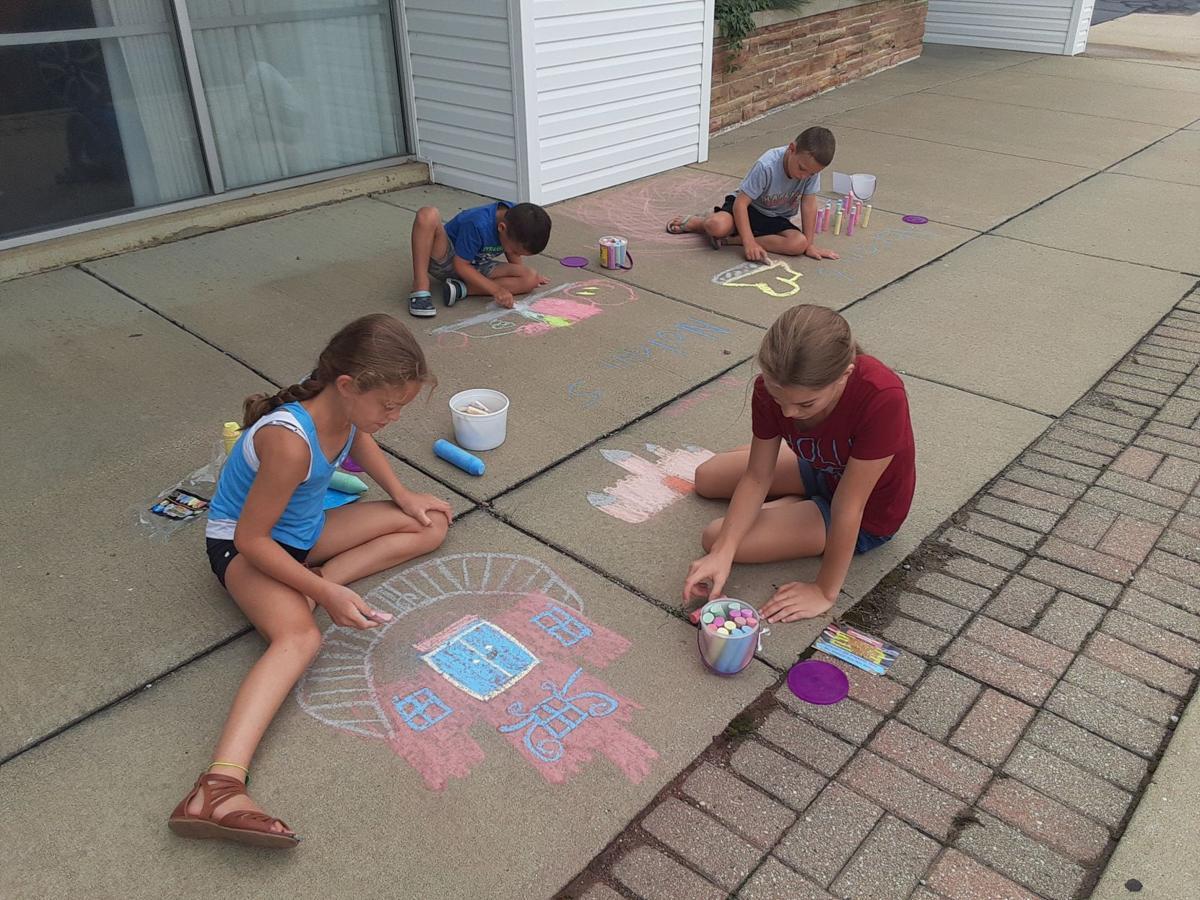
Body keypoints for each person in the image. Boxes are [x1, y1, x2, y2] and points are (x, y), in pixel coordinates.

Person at [168, 314, 452, 848]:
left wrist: (404, 494)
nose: (392, 417)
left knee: (429, 522)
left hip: (302, 535)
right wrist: (323, 594)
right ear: (349, 386)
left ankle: (312, 581)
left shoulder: (340, 401)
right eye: (388, 405)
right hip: (246, 550)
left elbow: (358, 439)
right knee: (300, 637)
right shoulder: (289, 442)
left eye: (400, 407)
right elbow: (252, 540)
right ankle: (216, 788)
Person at [683, 304, 914, 623]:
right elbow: (756, 476)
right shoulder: (771, 386)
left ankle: (796, 506)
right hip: (823, 465)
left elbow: (849, 507)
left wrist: (824, 591)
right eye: (780, 401)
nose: (789, 414)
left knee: (715, 534)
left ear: (844, 375)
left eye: (806, 404)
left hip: (866, 513)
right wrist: (723, 554)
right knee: (706, 478)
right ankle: (795, 503)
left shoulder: (882, 396)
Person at [667, 126, 839, 262]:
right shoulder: (767, 165)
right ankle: (699, 222)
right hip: (749, 209)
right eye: (802, 168)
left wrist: (810, 244)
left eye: (811, 174)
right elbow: (740, 204)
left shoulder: (810, 170)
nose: (804, 176)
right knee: (716, 226)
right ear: (791, 149)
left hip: (775, 218)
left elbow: (808, 204)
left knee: (798, 244)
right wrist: (749, 243)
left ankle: (734, 240)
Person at [407, 200, 552, 317]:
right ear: (502, 228)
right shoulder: (478, 224)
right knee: (428, 214)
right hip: (447, 259)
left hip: (477, 264)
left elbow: (516, 258)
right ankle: (420, 288)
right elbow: (460, 265)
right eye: (514, 250)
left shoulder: (515, 218)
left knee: (530, 277)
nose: (515, 254)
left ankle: (460, 289)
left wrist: (521, 273)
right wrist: (496, 289)